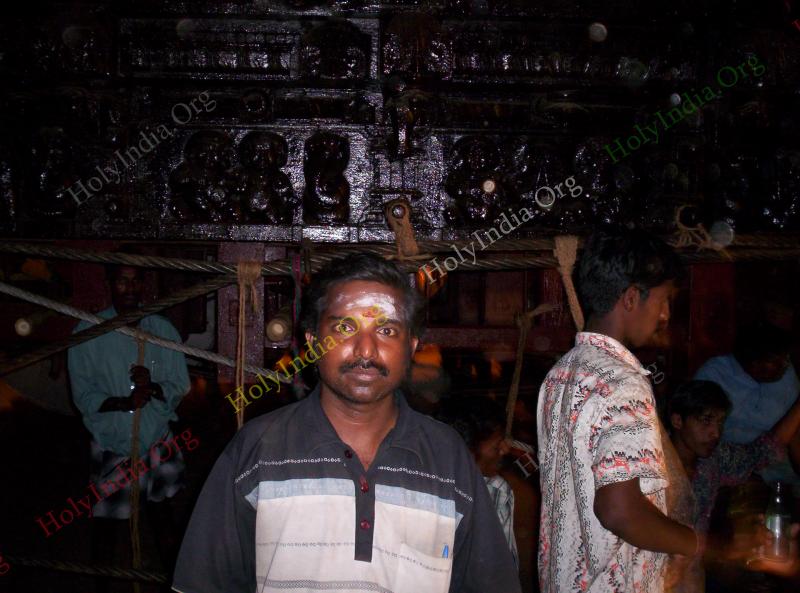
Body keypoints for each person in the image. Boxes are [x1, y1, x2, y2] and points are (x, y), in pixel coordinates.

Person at [172, 253, 520, 593]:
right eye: (344, 327)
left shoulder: (448, 458)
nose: (365, 350)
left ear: (411, 347)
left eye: (386, 330)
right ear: (312, 342)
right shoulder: (256, 449)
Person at [537, 228, 696, 593]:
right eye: (662, 301)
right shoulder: (623, 383)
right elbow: (620, 512)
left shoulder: (561, 373)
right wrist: (693, 543)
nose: (665, 315)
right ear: (631, 298)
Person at [68, 264, 190, 568]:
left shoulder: (162, 330)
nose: (130, 288)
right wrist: (124, 403)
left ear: (144, 284)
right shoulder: (88, 332)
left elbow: (180, 385)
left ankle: (172, 582)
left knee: (163, 521)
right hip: (114, 444)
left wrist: (154, 387)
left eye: (135, 281)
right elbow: (83, 395)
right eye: (122, 281)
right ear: (110, 283)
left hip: (156, 440)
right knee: (106, 531)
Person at [663, 380, 800, 592]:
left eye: (720, 423)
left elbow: (764, 451)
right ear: (677, 420)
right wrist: (726, 549)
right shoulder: (653, 464)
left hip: (692, 578)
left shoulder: (713, 459)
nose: (715, 433)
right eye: (706, 421)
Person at [694, 323, 800, 487]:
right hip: (728, 472)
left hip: (779, 474)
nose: (785, 365)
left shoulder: (786, 376)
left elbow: (794, 432)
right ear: (753, 362)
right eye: (775, 361)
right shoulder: (714, 376)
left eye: (786, 359)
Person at [445, 397, 518, 569]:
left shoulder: (496, 490)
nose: (505, 449)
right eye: (497, 444)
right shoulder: (493, 490)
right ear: (468, 450)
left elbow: (502, 566)